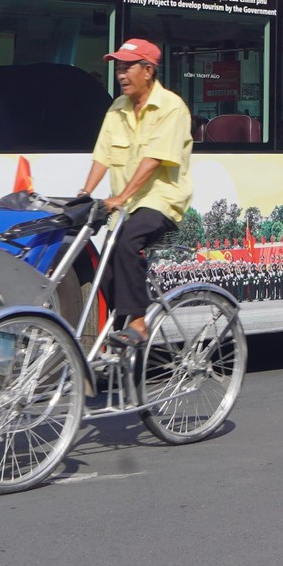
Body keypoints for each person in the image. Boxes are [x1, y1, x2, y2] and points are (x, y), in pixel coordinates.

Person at [77, 38, 192, 349]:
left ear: (148, 71)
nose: (121, 74)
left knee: (129, 241)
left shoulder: (171, 108)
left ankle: (139, 323)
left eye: (129, 67)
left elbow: (152, 161)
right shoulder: (117, 108)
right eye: (119, 67)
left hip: (162, 201)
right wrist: (85, 192)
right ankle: (111, 339)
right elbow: (102, 155)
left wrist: (120, 197)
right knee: (105, 271)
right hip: (127, 208)